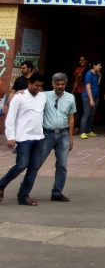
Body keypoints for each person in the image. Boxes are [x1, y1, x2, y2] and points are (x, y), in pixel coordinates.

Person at [0, 73, 47, 205]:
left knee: (34, 168)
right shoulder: (19, 97)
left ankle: (24, 196)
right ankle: (1, 185)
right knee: (21, 165)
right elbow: (11, 117)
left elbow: (56, 93)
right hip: (23, 137)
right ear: (29, 84)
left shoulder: (43, 97)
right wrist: (11, 137)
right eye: (36, 86)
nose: (39, 88)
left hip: (39, 137)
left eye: (41, 86)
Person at [40, 72, 77, 202]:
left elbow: (71, 117)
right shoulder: (44, 96)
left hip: (63, 134)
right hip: (47, 134)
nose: (60, 86)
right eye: (58, 84)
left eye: (63, 84)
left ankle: (57, 192)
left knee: (62, 164)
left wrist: (70, 137)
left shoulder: (70, 97)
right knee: (37, 163)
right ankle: (24, 190)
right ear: (52, 84)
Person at [79, 61, 102, 139]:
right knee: (86, 114)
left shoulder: (96, 74)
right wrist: (91, 99)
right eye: (99, 65)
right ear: (94, 66)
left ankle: (89, 131)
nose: (100, 67)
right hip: (88, 97)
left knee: (92, 114)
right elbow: (88, 87)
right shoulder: (89, 74)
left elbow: (96, 84)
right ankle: (83, 132)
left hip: (96, 96)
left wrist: (100, 77)